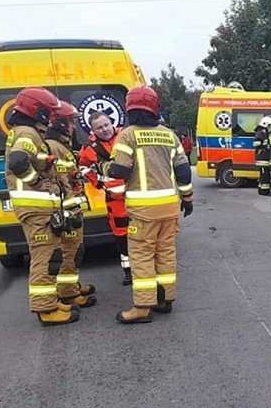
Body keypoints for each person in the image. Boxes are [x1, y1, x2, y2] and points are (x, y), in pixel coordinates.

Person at [100, 86, 193, 324]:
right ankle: (165, 299)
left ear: (130, 109)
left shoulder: (128, 135)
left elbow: (119, 170)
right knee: (165, 253)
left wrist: (103, 168)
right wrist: (188, 199)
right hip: (169, 209)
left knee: (141, 256)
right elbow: (183, 171)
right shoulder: (169, 135)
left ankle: (142, 307)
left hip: (143, 211)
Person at [3, 87, 79, 326]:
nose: (51, 117)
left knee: (50, 254)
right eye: (49, 111)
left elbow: (26, 159)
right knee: (44, 257)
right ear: (39, 111)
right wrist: (36, 181)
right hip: (35, 207)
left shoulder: (24, 132)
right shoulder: (27, 133)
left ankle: (51, 303)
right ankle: (46, 310)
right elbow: (18, 160)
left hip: (38, 208)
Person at [44, 101, 97, 308]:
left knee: (74, 250)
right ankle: (68, 293)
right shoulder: (56, 147)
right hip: (68, 211)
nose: (73, 127)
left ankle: (71, 286)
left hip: (69, 209)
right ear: (58, 124)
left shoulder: (59, 146)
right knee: (70, 251)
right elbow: (62, 183)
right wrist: (69, 212)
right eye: (70, 122)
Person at [78, 111, 132, 286]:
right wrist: (98, 183)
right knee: (122, 238)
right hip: (115, 201)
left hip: (137, 195)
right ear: (93, 131)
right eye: (99, 127)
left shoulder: (126, 135)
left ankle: (147, 267)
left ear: (112, 123)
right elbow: (83, 167)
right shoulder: (89, 149)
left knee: (144, 233)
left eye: (106, 125)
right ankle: (129, 271)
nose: (105, 129)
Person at [253, 116, 271, 195]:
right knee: (265, 176)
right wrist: (265, 145)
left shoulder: (263, 132)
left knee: (264, 175)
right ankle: (264, 191)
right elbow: (255, 143)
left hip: (264, 157)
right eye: (269, 125)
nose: (269, 127)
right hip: (262, 158)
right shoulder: (260, 133)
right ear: (265, 124)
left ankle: (262, 190)